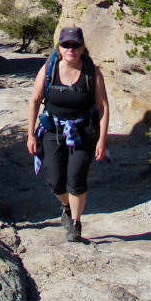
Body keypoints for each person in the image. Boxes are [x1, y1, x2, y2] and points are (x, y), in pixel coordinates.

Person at [26, 25, 109, 242]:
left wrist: (102, 140)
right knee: (55, 181)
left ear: (82, 48)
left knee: (76, 178)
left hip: (84, 132)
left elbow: (103, 107)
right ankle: (66, 205)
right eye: (66, 44)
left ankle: (75, 223)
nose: (70, 48)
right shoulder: (49, 69)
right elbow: (35, 100)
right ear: (59, 47)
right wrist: (30, 135)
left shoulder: (92, 73)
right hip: (53, 130)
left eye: (75, 45)